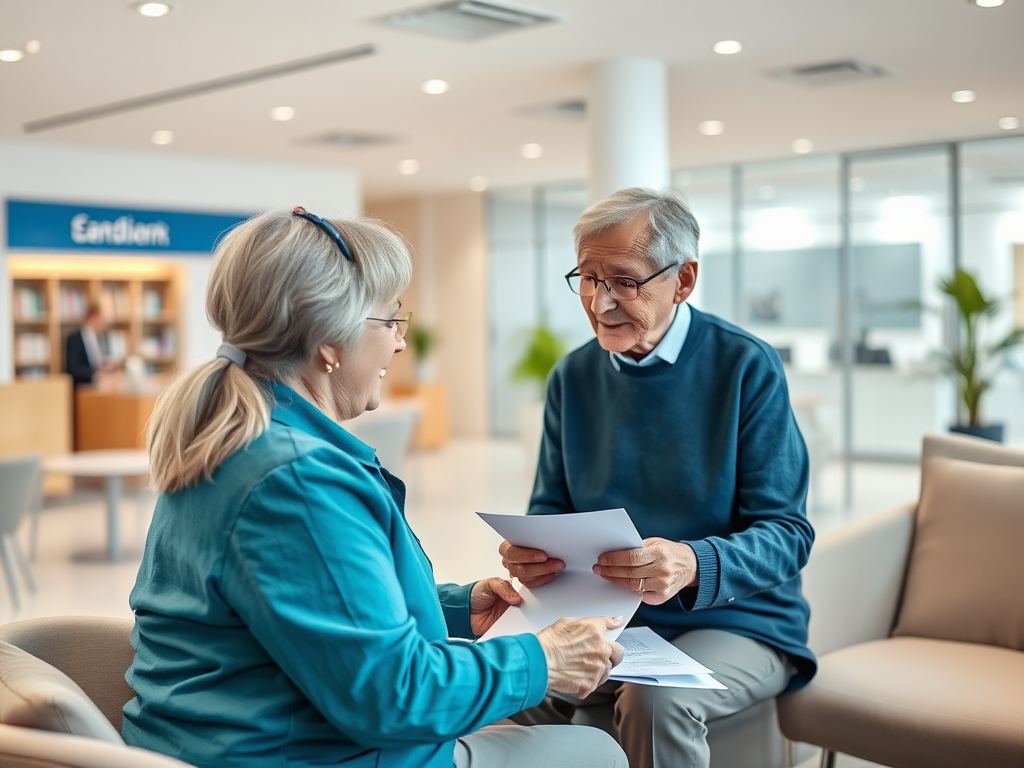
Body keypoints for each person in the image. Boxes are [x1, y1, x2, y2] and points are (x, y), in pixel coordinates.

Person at [123, 207, 629, 768]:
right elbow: (391, 697)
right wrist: (543, 658)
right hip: (314, 755)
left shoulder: (233, 440)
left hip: (236, 738)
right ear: (330, 342)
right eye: (390, 321)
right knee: (594, 751)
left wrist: (459, 609)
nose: (399, 344)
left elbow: (311, 604)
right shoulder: (297, 484)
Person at [501, 188, 817, 768]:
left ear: (684, 279)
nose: (600, 302)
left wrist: (694, 563)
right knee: (503, 679)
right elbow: (551, 506)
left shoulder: (746, 366)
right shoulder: (572, 376)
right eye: (588, 279)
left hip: (738, 620)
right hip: (613, 618)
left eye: (624, 280)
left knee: (654, 701)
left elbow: (789, 533)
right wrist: (534, 552)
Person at [65, 304, 107, 385]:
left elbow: (97, 362)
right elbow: (72, 367)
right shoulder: (74, 339)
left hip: (99, 383)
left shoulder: (99, 338)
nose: (103, 322)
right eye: (101, 318)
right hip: (82, 385)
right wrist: (94, 374)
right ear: (92, 317)